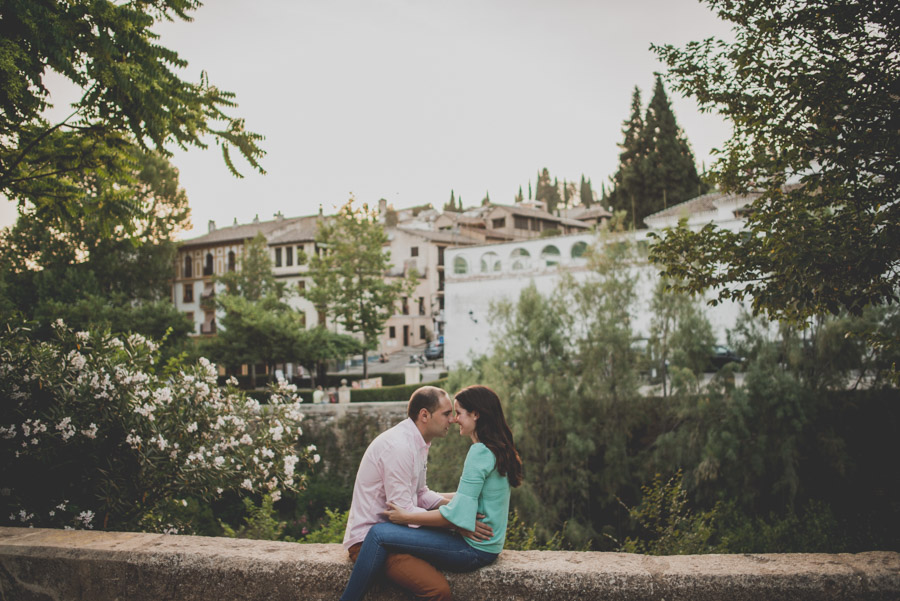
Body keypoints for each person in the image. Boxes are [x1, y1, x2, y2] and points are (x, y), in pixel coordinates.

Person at [341, 385, 523, 601]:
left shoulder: (430, 446)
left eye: (456, 413)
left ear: (476, 415)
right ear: (424, 415)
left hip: (409, 536)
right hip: (368, 539)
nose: (453, 419)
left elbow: (420, 496)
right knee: (378, 533)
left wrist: (457, 520)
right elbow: (406, 513)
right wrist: (457, 522)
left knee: (380, 533)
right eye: (447, 413)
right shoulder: (401, 447)